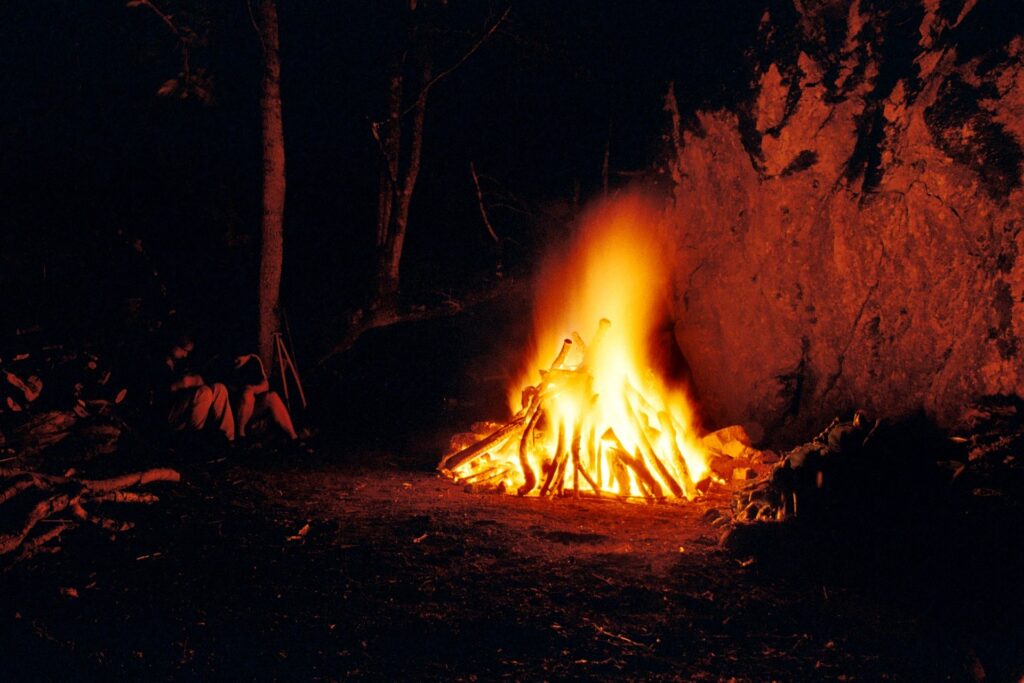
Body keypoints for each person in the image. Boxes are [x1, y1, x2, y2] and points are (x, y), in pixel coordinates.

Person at [162, 333, 235, 442]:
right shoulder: (160, 364)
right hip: (168, 413)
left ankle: (228, 438)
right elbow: (171, 388)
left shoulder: (181, 364)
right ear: (175, 346)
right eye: (184, 350)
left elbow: (194, 380)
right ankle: (193, 439)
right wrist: (184, 383)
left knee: (219, 388)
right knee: (203, 392)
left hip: (184, 405)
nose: (185, 355)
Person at [231, 353, 298, 441]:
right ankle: (240, 436)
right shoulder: (226, 365)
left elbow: (265, 384)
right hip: (233, 410)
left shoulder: (253, 360)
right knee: (247, 394)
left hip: (251, 409)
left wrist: (254, 389)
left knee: (272, 397)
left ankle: (293, 438)